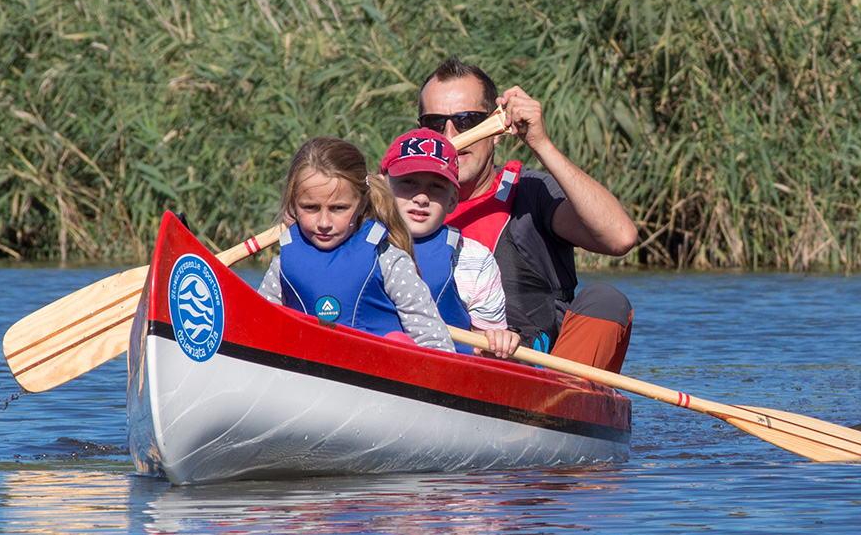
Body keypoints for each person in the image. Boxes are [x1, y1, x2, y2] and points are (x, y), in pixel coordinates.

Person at [414, 56, 637, 372]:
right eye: (436, 125)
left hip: (533, 374)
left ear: (494, 129)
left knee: (606, 299)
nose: (450, 137)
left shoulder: (530, 191)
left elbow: (621, 237)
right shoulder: (400, 205)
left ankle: (561, 406)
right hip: (438, 363)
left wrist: (540, 143)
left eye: (467, 121)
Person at [257, 136, 455, 352]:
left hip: (381, 374)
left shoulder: (387, 260)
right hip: (306, 367)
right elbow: (258, 329)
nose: (324, 223)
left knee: (400, 341)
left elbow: (435, 342)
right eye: (310, 208)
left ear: (362, 205)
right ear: (293, 205)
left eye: (338, 208)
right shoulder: (282, 265)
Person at [379, 127, 521, 359]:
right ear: (383, 187)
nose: (422, 197)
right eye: (409, 182)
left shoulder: (475, 261)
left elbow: (485, 351)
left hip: (446, 371)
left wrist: (498, 342)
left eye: (436, 187)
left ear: (453, 200)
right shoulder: (351, 241)